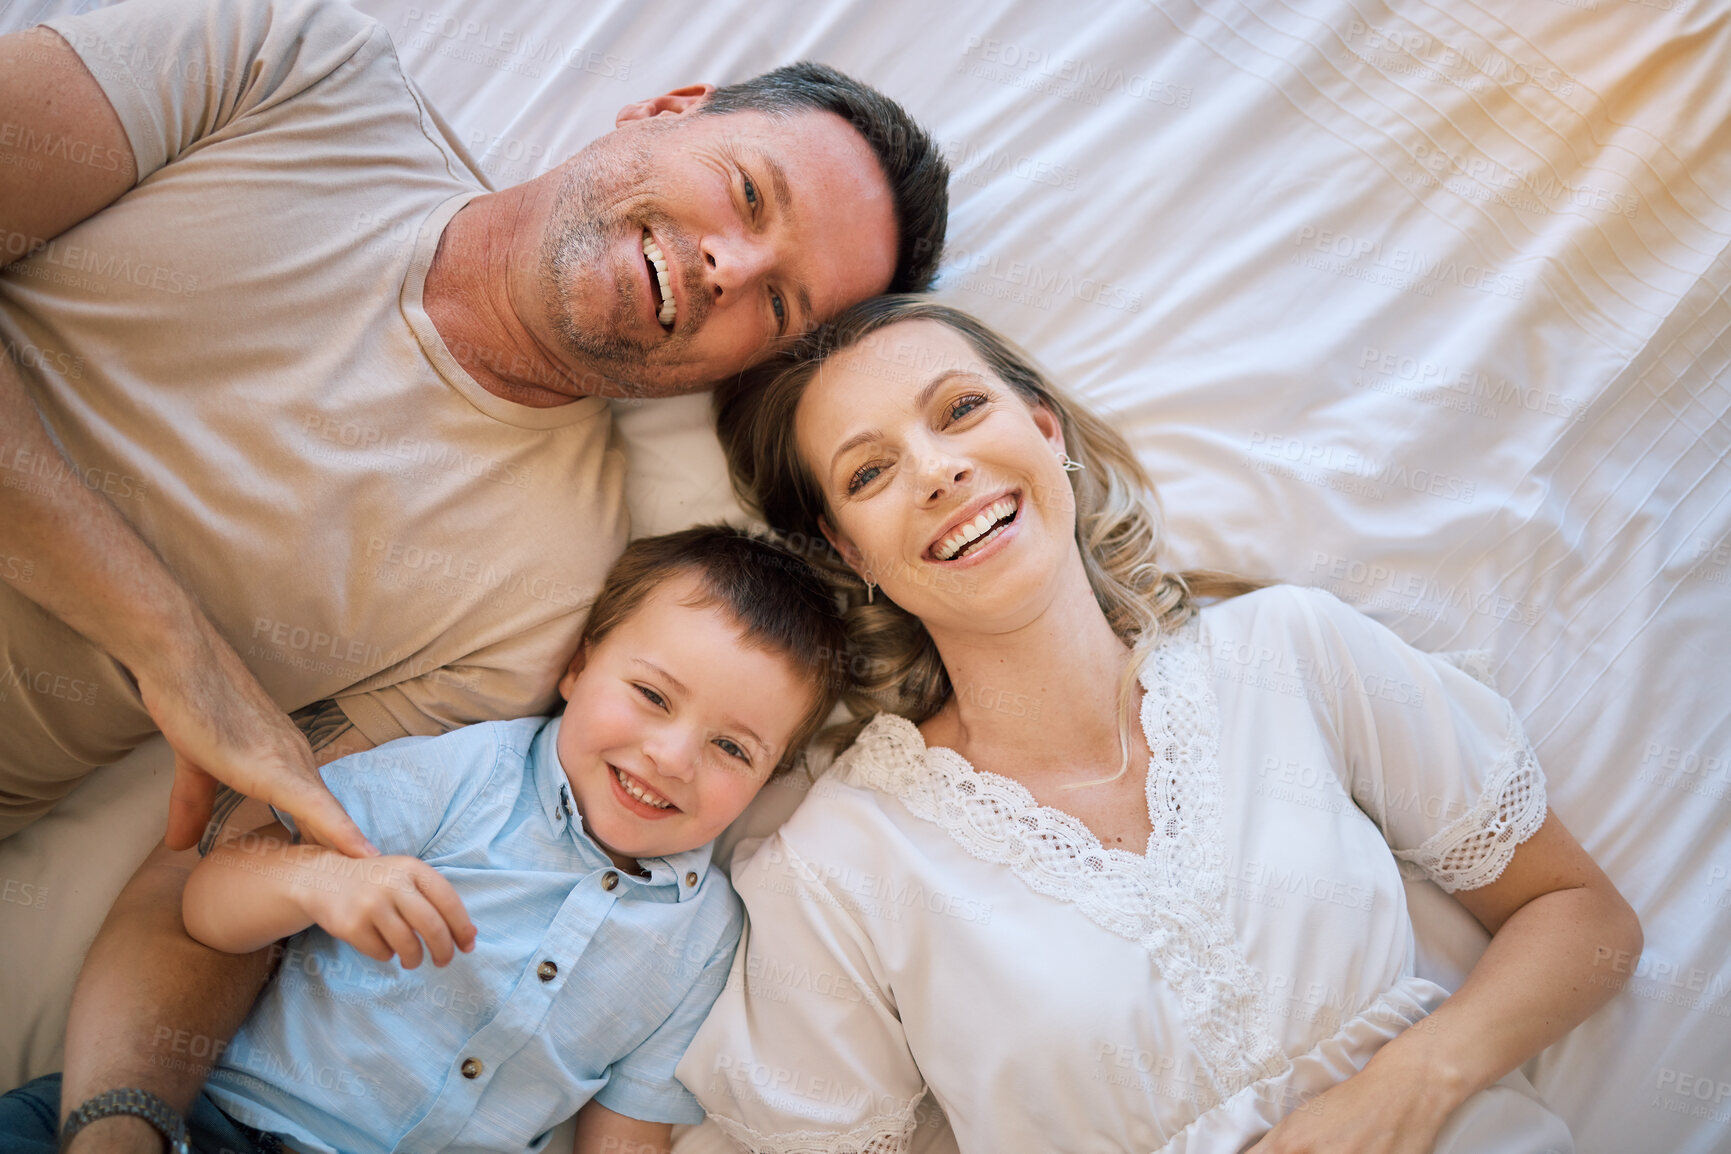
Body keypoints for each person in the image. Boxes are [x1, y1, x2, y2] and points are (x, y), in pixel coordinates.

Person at [0, 0, 946, 1142]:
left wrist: (121, 1120)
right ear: (668, 110)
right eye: (747, 193)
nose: (725, 265)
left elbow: (224, 880)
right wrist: (170, 643)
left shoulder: (544, 605)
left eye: (778, 303)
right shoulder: (283, 62)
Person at [675, 297, 1644, 1153]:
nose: (937, 470)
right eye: (871, 470)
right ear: (853, 550)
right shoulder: (841, 862)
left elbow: (1585, 918)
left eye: (962, 409)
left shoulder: (1290, 652)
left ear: (1044, 427)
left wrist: (1409, 1083)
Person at [0, 525, 850, 1153]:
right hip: (218, 1124)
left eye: (731, 748)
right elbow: (206, 907)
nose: (670, 758)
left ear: (770, 780)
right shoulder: (466, 777)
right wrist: (314, 882)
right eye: (652, 696)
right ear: (578, 669)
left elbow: (625, 1130)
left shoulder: (704, 940)